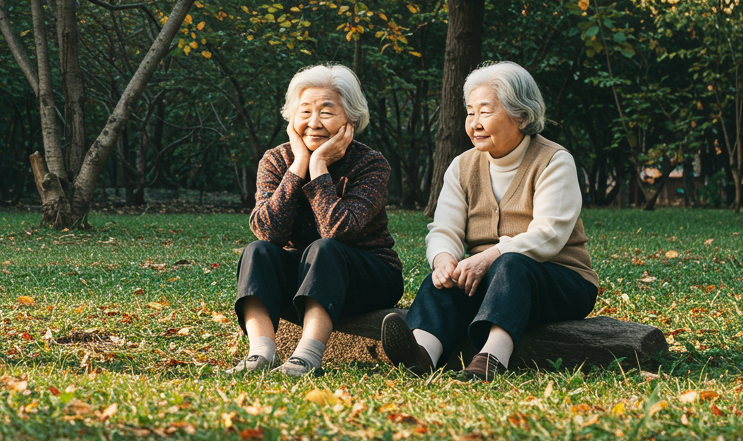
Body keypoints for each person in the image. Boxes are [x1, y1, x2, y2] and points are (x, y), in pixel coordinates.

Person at [381, 61, 598, 382]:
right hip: (491, 279)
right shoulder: (462, 166)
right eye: (470, 112)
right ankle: (420, 352)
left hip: (561, 280)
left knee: (510, 265)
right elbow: (445, 229)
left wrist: (488, 258)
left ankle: (492, 357)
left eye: (486, 111)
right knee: (442, 281)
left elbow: (550, 233)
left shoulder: (554, 160)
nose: (475, 123)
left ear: (522, 115)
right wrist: (443, 261)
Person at [228, 64, 403, 377]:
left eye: (326, 111)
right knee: (257, 250)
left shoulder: (370, 163)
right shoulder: (276, 159)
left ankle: (307, 356)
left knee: (325, 248)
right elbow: (268, 231)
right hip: (304, 277)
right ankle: (261, 352)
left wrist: (319, 164)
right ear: (292, 117)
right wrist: (297, 167)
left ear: (350, 118)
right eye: (304, 110)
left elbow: (339, 230)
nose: (313, 122)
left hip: (368, 276)